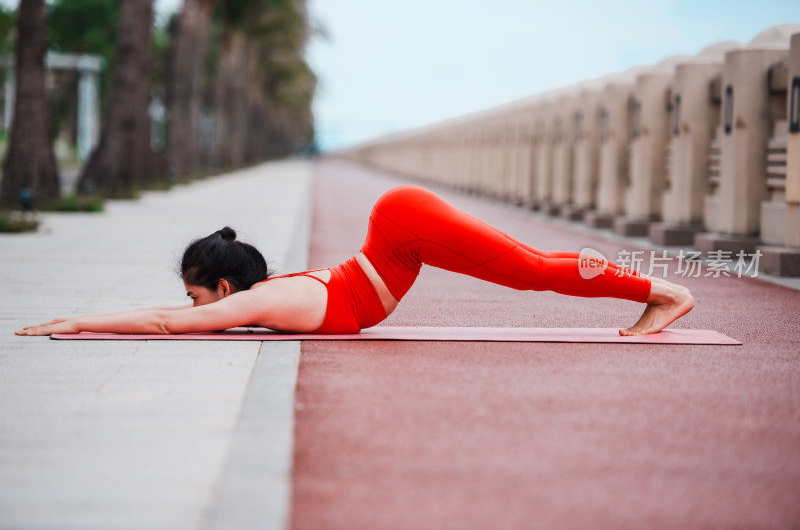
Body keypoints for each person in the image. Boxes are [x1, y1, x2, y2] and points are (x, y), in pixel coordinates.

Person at [16, 185, 694, 337]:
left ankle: (663, 291)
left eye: (201, 298)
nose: (199, 311)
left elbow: (166, 324)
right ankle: (649, 291)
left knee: (534, 271)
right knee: (531, 265)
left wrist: (75, 324)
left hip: (404, 229)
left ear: (222, 286)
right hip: (401, 237)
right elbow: (174, 314)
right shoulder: (260, 294)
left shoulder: (253, 301)